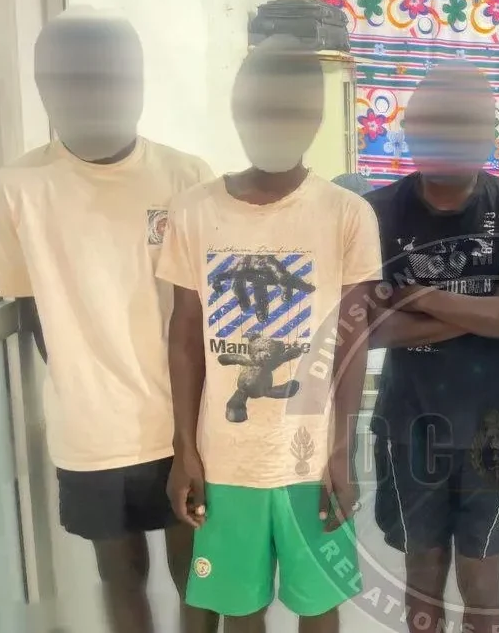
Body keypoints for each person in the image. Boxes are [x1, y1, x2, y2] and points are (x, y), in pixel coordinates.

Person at [0, 9, 218, 633]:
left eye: (109, 77)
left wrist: (194, 422)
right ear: (44, 89)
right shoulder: (17, 188)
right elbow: (31, 308)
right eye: (70, 80)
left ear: (136, 82)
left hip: (183, 424)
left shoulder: (186, 176)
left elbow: (205, 310)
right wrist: (87, 381)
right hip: (89, 432)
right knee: (120, 577)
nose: (92, 94)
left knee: (197, 570)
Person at [157, 36, 381, 633]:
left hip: (311, 461)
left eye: (291, 110)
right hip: (225, 462)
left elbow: (351, 342)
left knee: (318, 607)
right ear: (237, 112)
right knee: (239, 610)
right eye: (260, 108)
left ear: (314, 118)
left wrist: (341, 452)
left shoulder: (347, 214)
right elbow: (184, 335)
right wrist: (185, 449)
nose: (274, 123)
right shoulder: (194, 211)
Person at [364, 62, 499, 633]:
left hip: (493, 430)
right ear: (411, 130)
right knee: (421, 571)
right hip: (407, 425)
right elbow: (370, 329)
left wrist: (419, 296)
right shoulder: (376, 211)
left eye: (468, 123)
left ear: (489, 132)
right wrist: (490, 310)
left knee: (481, 576)